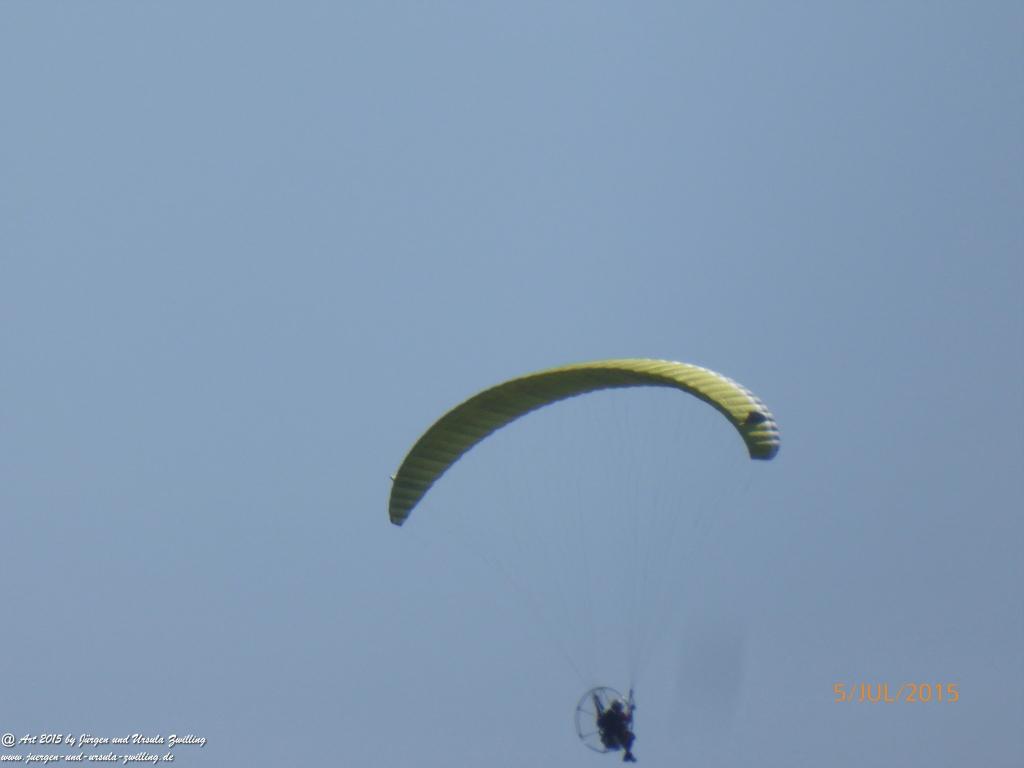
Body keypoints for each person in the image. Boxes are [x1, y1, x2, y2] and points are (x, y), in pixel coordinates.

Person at [594, 695, 636, 762]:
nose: (619, 710)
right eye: (618, 707)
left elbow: (628, 719)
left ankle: (627, 753)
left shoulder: (620, 715)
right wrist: (597, 705)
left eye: (620, 708)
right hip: (610, 739)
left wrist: (630, 709)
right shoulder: (609, 714)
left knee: (630, 736)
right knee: (625, 735)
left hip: (616, 740)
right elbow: (600, 722)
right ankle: (627, 753)